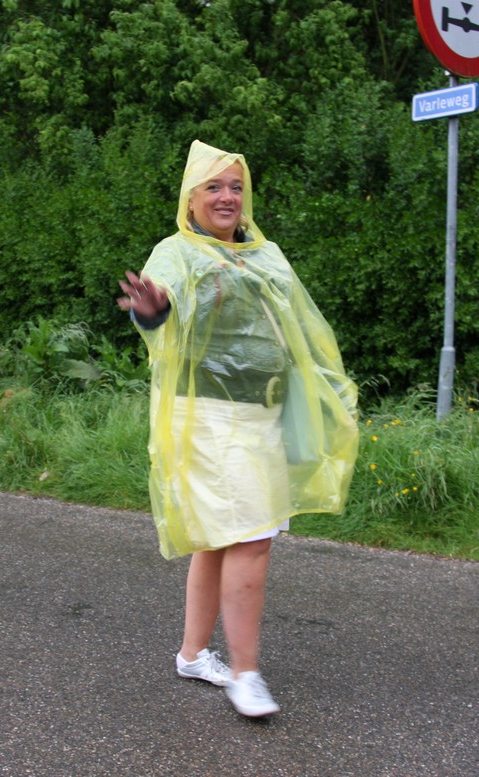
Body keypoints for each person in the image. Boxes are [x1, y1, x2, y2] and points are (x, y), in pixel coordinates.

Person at [117, 140, 358, 718]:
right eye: (213, 186)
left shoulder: (264, 254)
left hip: (264, 413)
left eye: (235, 186)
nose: (227, 196)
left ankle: (193, 655)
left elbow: (298, 325)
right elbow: (159, 304)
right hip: (209, 416)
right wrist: (152, 308)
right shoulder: (177, 252)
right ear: (190, 198)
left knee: (220, 537)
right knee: (251, 536)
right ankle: (246, 674)